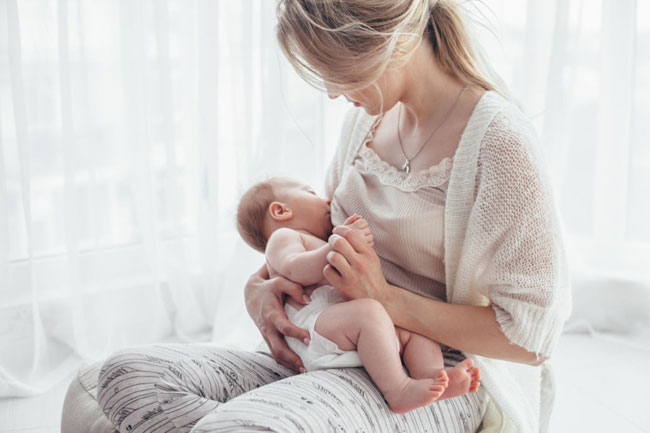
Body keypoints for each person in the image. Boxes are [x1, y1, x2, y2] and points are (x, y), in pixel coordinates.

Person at [60, 1, 570, 432]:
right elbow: (315, 237)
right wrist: (259, 288)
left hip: (429, 374)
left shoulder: (499, 143)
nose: (329, 91)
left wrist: (386, 301)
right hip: (330, 345)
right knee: (125, 376)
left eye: (334, 69)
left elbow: (530, 340)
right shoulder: (365, 122)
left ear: (384, 42)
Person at [235, 177, 480, 413]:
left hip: (343, 327)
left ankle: (431, 378)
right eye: (311, 192)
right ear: (280, 211)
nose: (328, 201)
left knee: (415, 330)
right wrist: (336, 247)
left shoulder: (314, 240)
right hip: (312, 328)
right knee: (369, 313)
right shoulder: (283, 238)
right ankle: (399, 390)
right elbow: (294, 267)